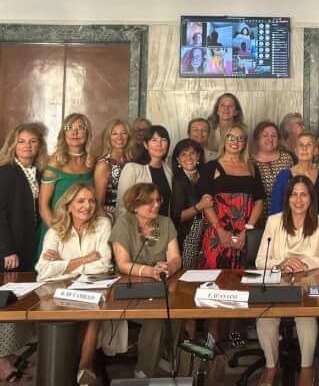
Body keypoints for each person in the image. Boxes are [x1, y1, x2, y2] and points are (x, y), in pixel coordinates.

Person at [0, 122, 47, 384]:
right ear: (13, 145)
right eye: (22, 141)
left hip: (28, 248)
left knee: (18, 304)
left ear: (39, 145)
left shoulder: (39, 172)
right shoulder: (4, 173)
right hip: (6, 250)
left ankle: (9, 354)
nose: (27, 146)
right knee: (1, 306)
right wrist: (8, 249)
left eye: (33, 141)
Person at [36, 184, 118, 385]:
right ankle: (82, 372)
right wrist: (84, 259)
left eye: (91, 201)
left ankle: (83, 367)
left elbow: (104, 265)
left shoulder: (102, 224)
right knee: (77, 316)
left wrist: (62, 264)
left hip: (94, 287)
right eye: (81, 201)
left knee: (93, 314)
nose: (87, 206)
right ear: (69, 206)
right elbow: (43, 270)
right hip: (60, 292)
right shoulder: (55, 230)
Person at [255, 177, 319, 386]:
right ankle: (271, 366)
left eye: (303, 195)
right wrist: (282, 263)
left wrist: (304, 263)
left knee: (305, 317)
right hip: (279, 285)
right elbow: (260, 261)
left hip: (309, 288)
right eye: (294, 195)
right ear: (287, 198)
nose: (298, 200)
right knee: (265, 318)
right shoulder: (274, 222)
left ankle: (307, 368)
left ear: (311, 198)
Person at [110, 183, 182, 378]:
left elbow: (175, 257)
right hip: (131, 289)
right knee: (155, 318)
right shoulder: (124, 224)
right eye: (149, 202)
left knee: (177, 311)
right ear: (135, 205)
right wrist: (149, 271)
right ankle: (144, 370)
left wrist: (170, 267)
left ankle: (167, 357)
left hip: (161, 286)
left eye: (158, 200)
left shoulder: (164, 223)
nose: (156, 205)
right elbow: (123, 264)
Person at [198, 123, 265, 270]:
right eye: (231, 137)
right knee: (213, 277)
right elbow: (206, 203)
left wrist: (247, 230)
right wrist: (220, 230)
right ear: (224, 139)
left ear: (245, 142)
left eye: (240, 138)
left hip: (245, 234)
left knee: (244, 278)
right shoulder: (210, 167)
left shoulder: (252, 168)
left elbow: (259, 201)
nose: (236, 142)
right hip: (218, 232)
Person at [38, 113, 94, 263]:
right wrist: (60, 234)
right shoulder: (55, 162)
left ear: (87, 133)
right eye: (69, 128)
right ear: (64, 133)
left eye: (80, 128)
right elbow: (43, 206)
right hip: (57, 231)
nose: (74, 132)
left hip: (84, 233)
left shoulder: (91, 162)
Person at [169, 139, 213, 269]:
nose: (188, 158)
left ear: (198, 156)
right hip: (188, 235)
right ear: (178, 159)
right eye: (184, 154)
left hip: (209, 233)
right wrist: (199, 206)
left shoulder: (206, 174)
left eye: (192, 153)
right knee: (189, 272)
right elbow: (177, 217)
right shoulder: (178, 181)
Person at [270, 132, 319, 219]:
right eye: (301, 145)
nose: (304, 148)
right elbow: (275, 210)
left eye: (309, 145)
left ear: (315, 151)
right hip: (289, 226)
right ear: (296, 151)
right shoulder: (283, 177)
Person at [117, 125, 173, 218]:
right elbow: (122, 205)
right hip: (137, 225)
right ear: (146, 145)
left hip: (163, 224)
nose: (159, 144)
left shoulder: (169, 169)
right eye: (154, 140)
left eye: (163, 140)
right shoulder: (132, 169)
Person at [251, 121, 294, 227]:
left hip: (284, 213)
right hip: (258, 215)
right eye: (265, 135)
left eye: (273, 136)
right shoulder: (249, 161)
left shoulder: (287, 158)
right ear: (257, 139)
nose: (270, 139)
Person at [94, 119, 134, 218]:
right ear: (108, 138)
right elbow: (99, 203)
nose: (119, 137)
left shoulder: (132, 162)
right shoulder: (104, 164)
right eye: (114, 134)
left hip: (131, 215)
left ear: (129, 136)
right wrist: (108, 221)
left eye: (123, 133)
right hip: (111, 216)